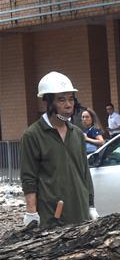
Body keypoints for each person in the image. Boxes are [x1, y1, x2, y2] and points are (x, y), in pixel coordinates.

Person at [20, 71, 97, 227]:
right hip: (52, 216)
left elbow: (84, 172)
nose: (68, 105)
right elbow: (29, 177)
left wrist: (90, 205)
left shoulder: (76, 133)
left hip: (80, 212)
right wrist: (31, 211)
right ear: (47, 102)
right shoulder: (33, 135)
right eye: (61, 100)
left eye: (71, 99)